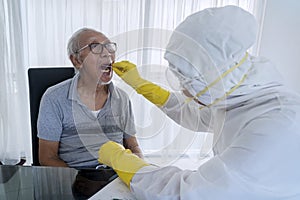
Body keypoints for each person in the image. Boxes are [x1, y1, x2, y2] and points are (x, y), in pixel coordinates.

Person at [98, 5, 300, 200]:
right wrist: (141, 84)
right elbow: (195, 116)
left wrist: (121, 159)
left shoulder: (277, 125)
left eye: (188, 79)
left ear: (216, 74)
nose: (184, 90)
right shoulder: (240, 98)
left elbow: (185, 193)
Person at [37, 28, 143, 169]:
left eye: (109, 46)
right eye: (96, 47)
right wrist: (78, 180)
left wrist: (139, 168)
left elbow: (133, 145)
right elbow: (47, 158)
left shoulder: (122, 98)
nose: (107, 53)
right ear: (76, 60)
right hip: (76, 179)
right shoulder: (54, 98)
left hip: (117, 177)